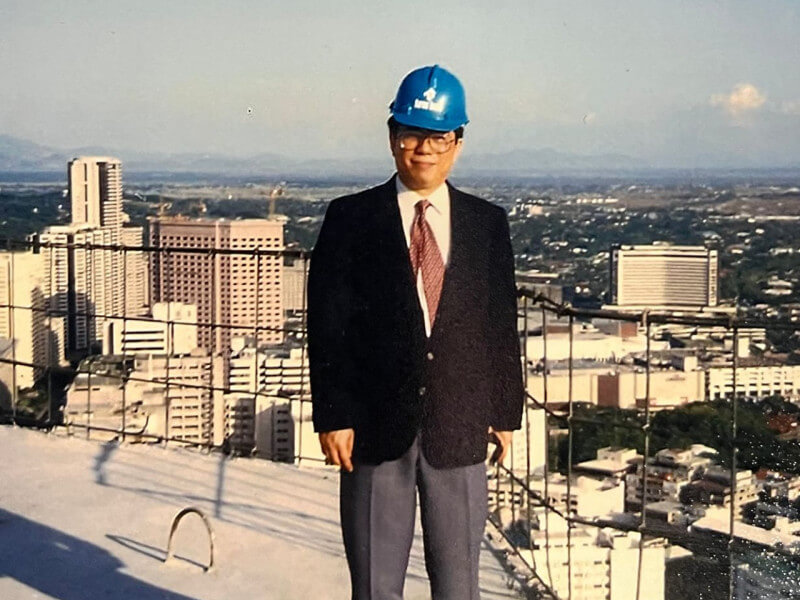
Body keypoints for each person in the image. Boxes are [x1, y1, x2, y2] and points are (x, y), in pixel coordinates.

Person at [307, 64, 524, 600]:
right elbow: (327, 327)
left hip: (460, 426)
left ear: (458, 142)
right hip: (374, 430)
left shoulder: (486, 223)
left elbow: (499, 324)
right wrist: (334, 415)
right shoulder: (350, 218)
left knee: (459, 586)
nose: (423, 149)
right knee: (376, 587)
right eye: (411, 134)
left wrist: (505, 412)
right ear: (391, 136)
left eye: (438, 136)